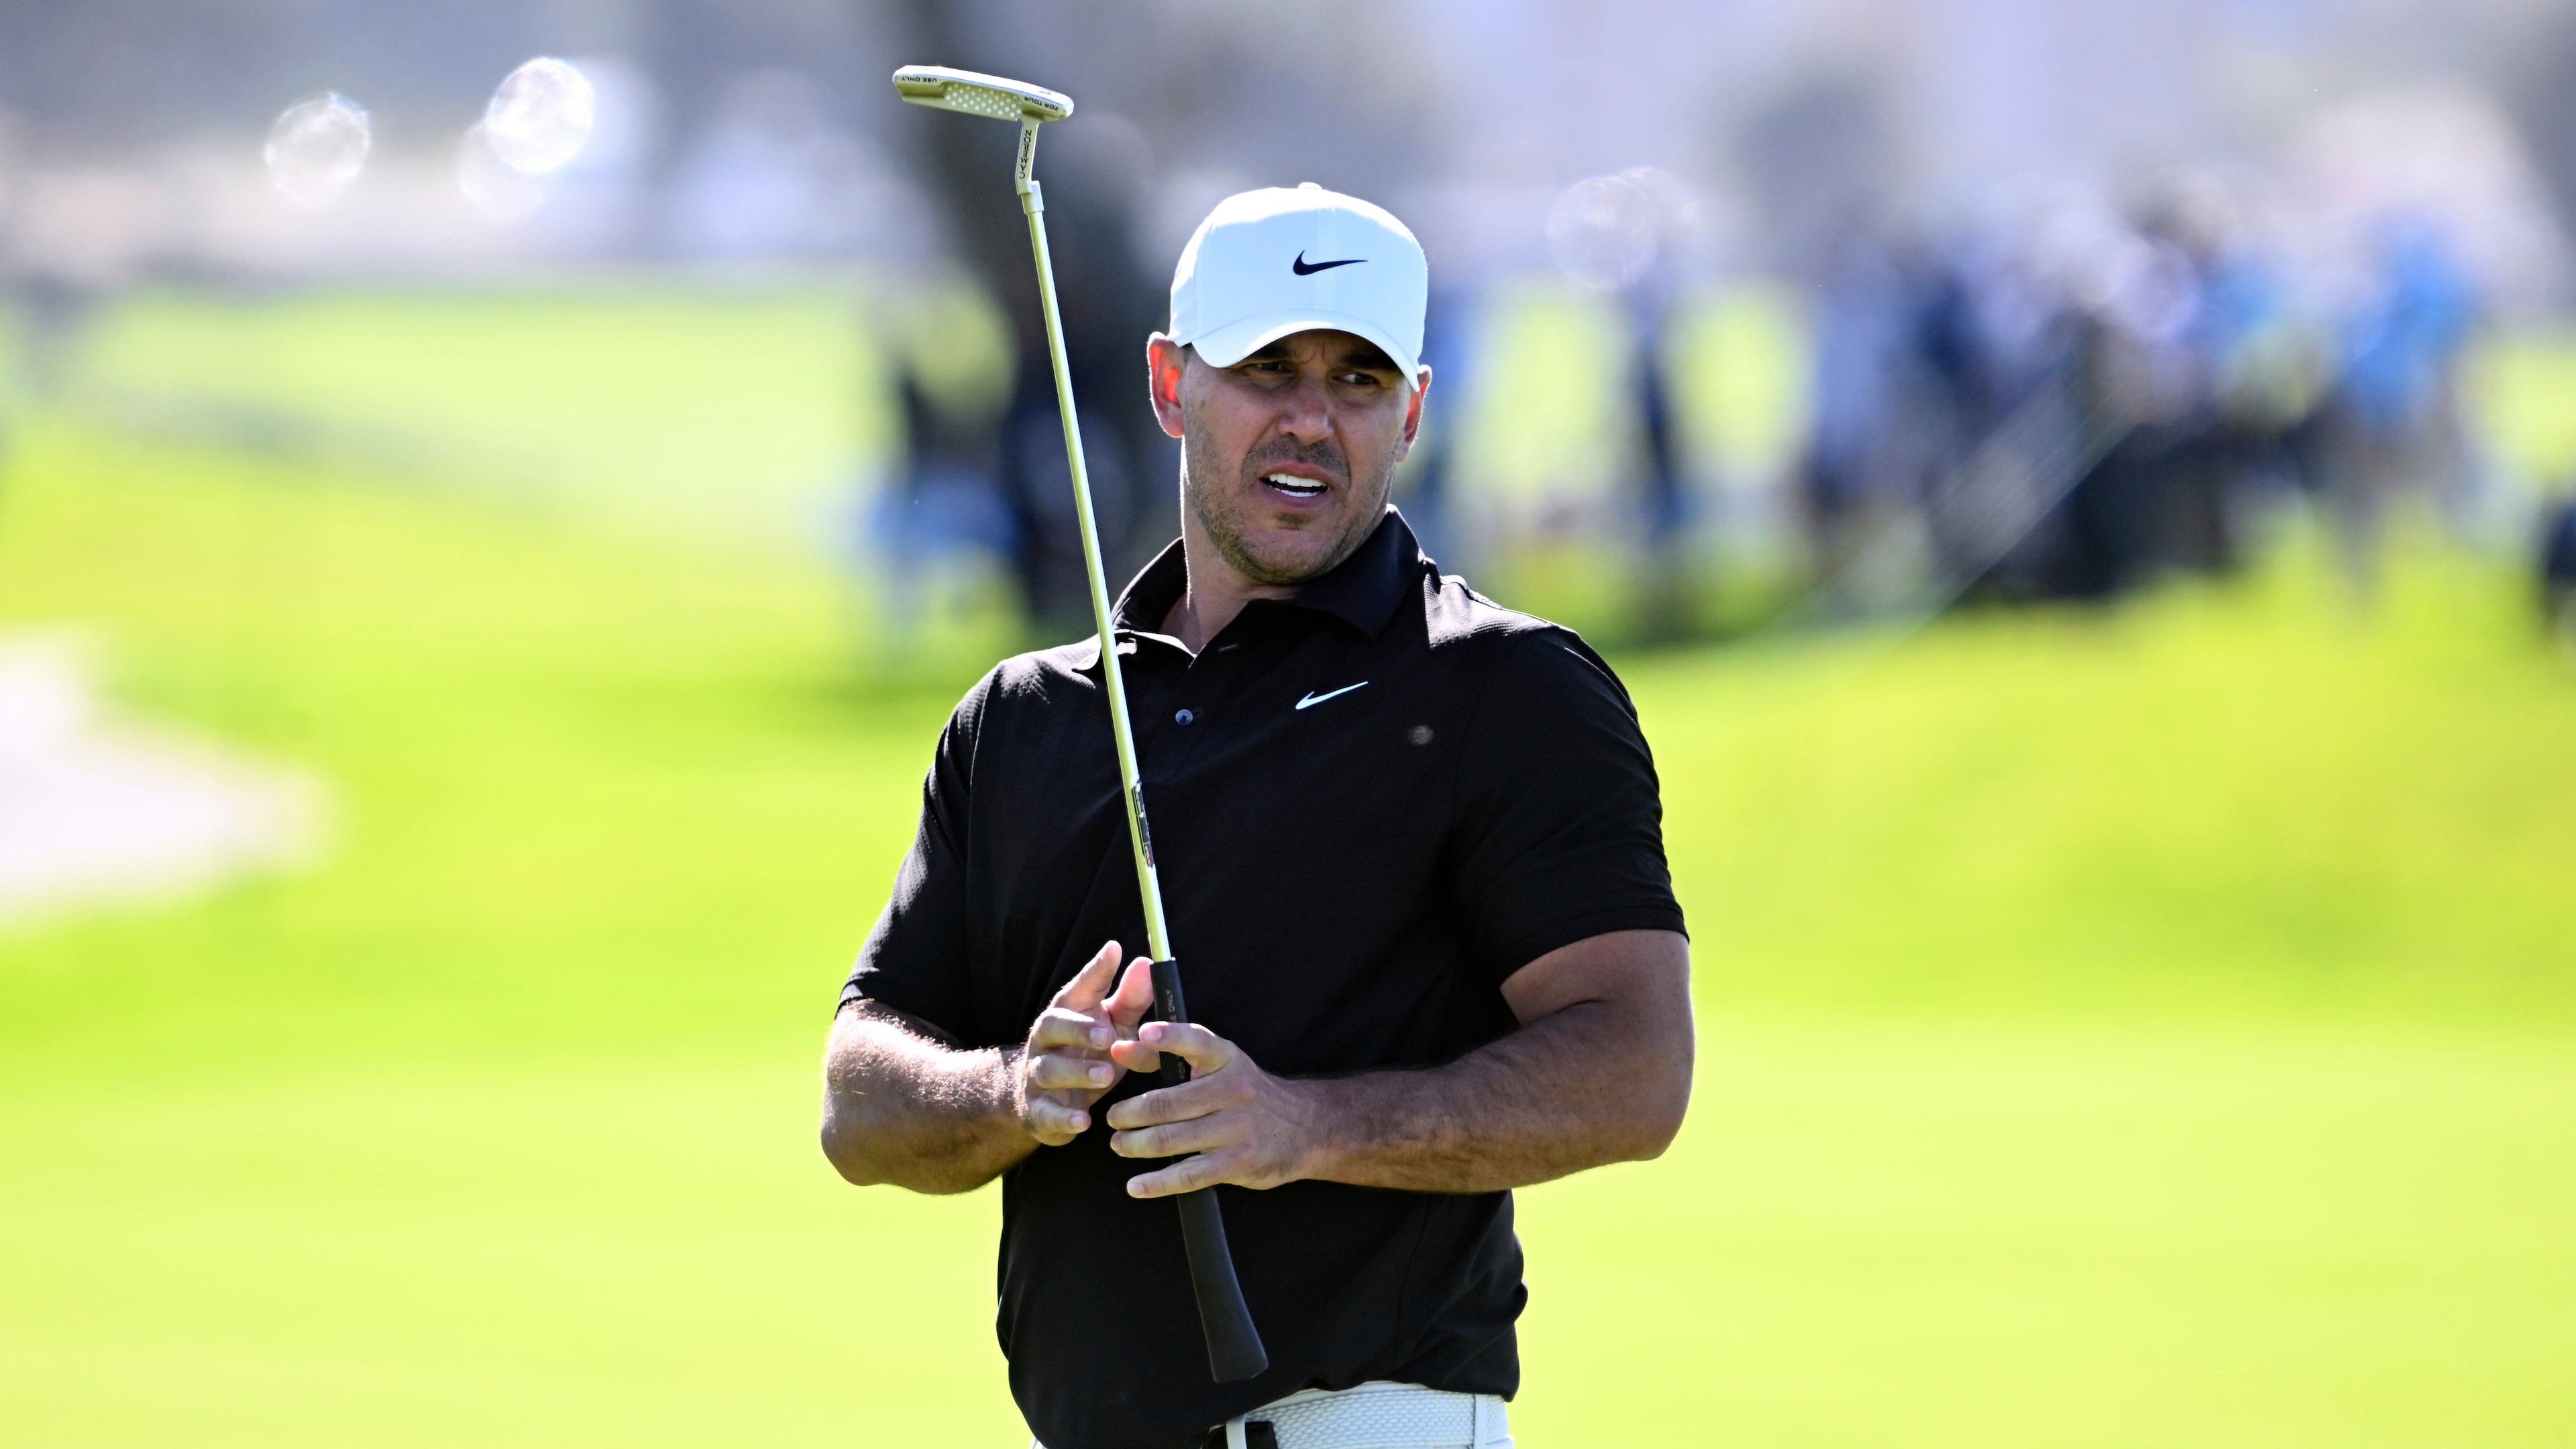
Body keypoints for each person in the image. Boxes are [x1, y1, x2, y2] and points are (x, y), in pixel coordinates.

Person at [819, 184, 1695, 1449]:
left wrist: (1304, 1126)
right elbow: (859, 1099)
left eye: (1356, 379)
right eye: (1267, 368)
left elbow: (1634, 1069)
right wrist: (1016, 1088)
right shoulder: (1026, 719)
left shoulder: (1508, 690)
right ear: (1174, 387)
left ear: (1415, 410)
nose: (1311, 420)